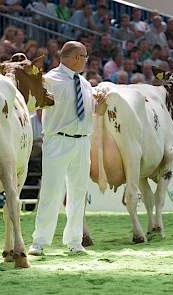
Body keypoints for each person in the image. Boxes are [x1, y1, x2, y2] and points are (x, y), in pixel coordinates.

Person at [28, 41, 107, 255]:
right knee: (51, 191)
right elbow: (35, 103)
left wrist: (102, 103)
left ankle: (74, 241)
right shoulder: (49, 80)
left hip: (82, 141)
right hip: (57, 140)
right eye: (84, 56)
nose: (86, 60)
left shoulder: (84, 83)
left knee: (78, 192)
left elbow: (96, 112)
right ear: (73, 57)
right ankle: (39, 241)